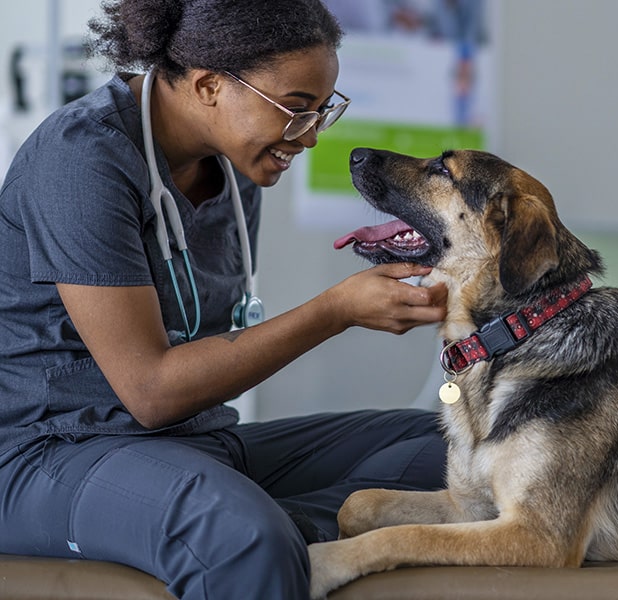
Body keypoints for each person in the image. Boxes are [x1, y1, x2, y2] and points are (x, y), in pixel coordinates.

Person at [0, 1, 449, 599]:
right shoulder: (81, 158)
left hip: (196, 444)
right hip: (51, 454)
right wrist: (335, 311)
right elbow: (152, 392)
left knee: (451, 447)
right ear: (209, 85)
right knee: (240, 535)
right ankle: (250, 532)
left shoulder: (235, 170)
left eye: (321, 112)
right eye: (295, 109)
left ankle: (279, 528)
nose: (310, 137)